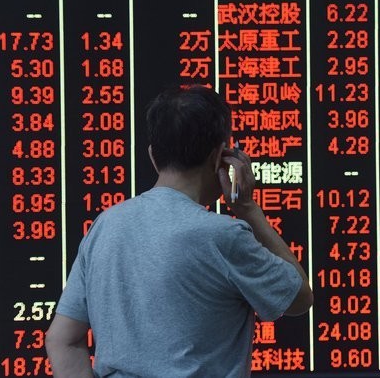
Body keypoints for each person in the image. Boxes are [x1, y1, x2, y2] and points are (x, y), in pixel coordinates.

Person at [45, 86, 313, 377]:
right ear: (218, 157)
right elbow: (299, 298)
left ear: (153, 156)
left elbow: (62, 340)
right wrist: (248, 208)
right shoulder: (222, 236)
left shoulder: (104, 226)